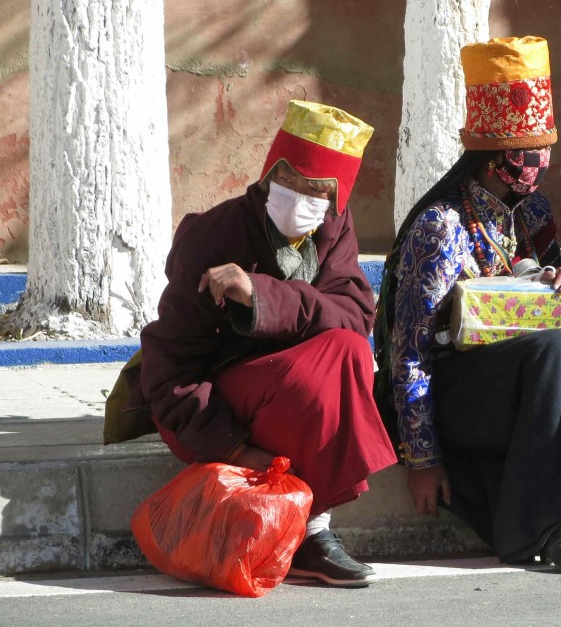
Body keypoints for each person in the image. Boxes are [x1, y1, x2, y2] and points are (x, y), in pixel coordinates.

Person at [373, 36, 561, 574]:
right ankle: (558, 519)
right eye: (529, 153)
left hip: (527, 374)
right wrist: (423, 458)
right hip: (460, 385)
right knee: (554, 358)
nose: (540, 163)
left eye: (546, 149)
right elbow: (407, 350)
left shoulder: (533, 212)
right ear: (494, 158)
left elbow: (552, 287)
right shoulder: (443, 227)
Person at [129, 100, 398, 587]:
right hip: (214, 399)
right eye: (290, 184)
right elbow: (171, 365)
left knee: (348, 350)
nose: (301, 201)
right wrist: (234, 448)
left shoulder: (332, 228)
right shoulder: (214, 234)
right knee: (329, 359)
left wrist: (261, 297)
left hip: (292, 389)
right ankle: (313, 533)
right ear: (268, 175)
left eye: (316, 193)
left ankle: (311, 529)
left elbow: (356, 316)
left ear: (335, 201)